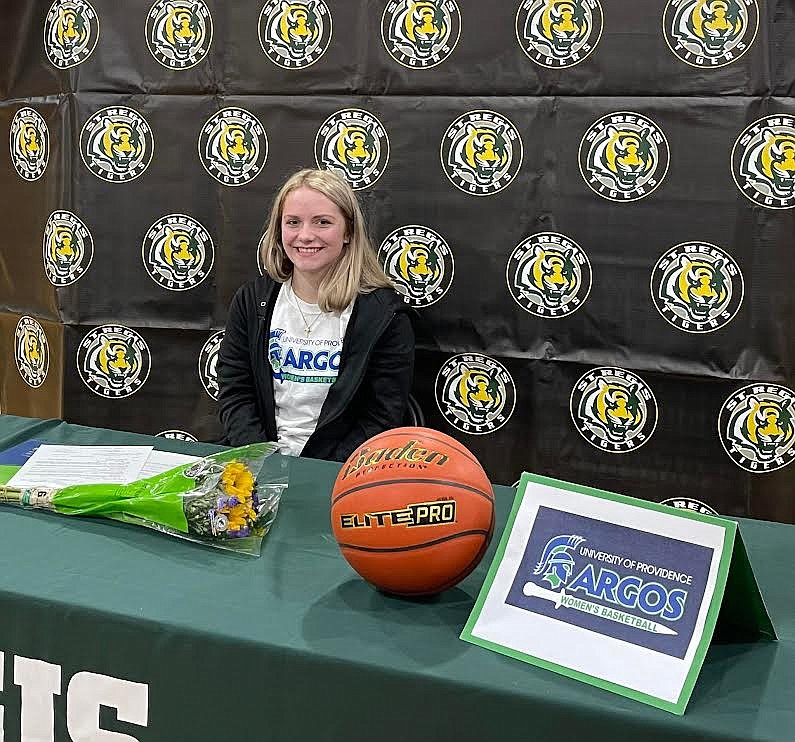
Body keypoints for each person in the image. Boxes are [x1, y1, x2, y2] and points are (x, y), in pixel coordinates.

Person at [218, 168, 415, 462]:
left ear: (348, 231)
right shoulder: (251, 301)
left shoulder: (384, 316)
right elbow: (235, 393)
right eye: (293, 222)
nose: (305, 235)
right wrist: (262, 460)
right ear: (279, 229)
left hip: (339, 471)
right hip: (257, 463)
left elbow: (380, 417)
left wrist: (316, 474)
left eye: (322, 222)